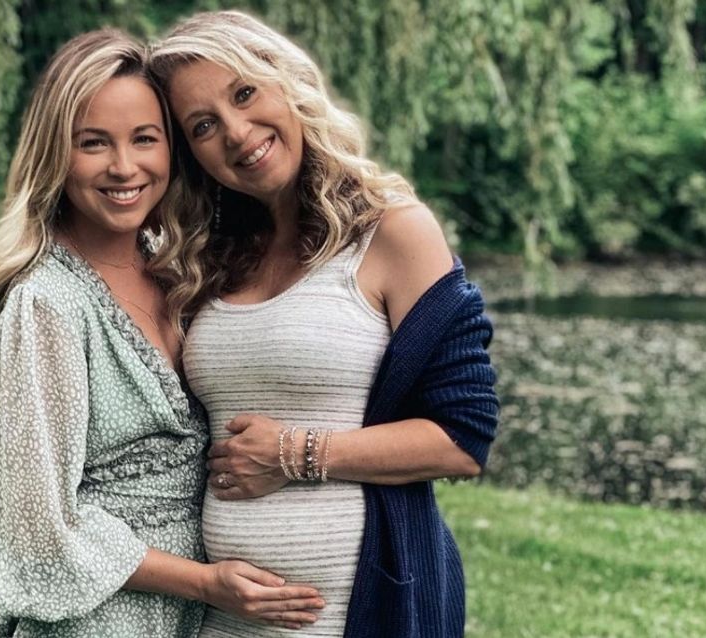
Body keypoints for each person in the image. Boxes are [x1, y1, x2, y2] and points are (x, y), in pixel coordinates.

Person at [148, 11, 500, 638]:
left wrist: (293, 453)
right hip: (221, 617)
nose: (236, 133)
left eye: (244, 93)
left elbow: (461, 437)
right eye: (203, 125)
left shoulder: (393, 232)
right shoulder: (210, 256)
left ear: (288, 82)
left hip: (361, 614)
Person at [0, 29, 326, 638]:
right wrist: (205, 582)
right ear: (56, 154)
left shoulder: (176, 270)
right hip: (101, 623)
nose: (124, 167)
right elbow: (32, 531)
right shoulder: (48, 302)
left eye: (145, 139)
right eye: (93, 143)